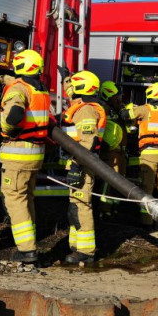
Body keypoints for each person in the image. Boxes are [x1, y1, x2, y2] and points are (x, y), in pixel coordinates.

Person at [0, 49, 50, 263]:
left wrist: (7, 129)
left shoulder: (19, 88)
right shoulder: (41, 90)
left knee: (14, 198)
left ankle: (27, 249)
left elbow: (16, 113)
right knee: (26, 197)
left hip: (17, 153)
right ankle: (30, 240)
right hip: (35, 153)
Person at [61, 70, 106, 263]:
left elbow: (87, 143)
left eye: (74, 84)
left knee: (81, 206)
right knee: (74, 207)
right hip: (79, 162)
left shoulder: (86, 110)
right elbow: (70, 92)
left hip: (83, 164)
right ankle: (76, 246)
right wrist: (66, 78)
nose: (71, 88)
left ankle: (86, 252)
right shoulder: (82, 106)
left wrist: (77, 167)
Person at [126, 82, 158, 226]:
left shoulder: (145, 109)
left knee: (146, 189)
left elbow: (125, 115)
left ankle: (146, 222)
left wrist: (130, 108)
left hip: (149, 154)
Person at [96, 81, 127, 216]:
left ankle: (114, 208)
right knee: (109, 181)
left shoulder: (117, 109)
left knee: (119, 181)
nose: (118, 99)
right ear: (107, 95)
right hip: (110, 152)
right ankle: (105, 209)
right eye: (116, 96)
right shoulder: (102, 109)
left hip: (120, 151)